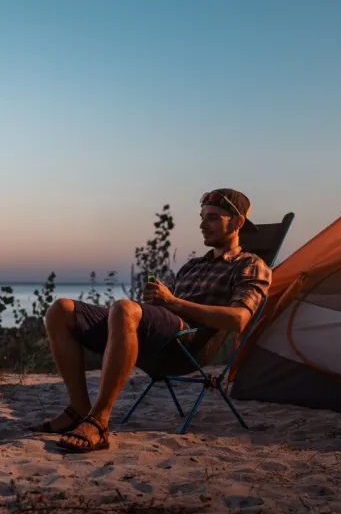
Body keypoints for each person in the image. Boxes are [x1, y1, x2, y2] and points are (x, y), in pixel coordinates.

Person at [33, 189, 272, 453]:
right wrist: (156, 300)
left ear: (237, 223)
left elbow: (239, 320)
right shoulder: (193, 266)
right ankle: (79, 408)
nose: (202, 225)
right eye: (202, 217)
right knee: (61, 309)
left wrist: (171, 302)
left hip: (187, 343)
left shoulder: (250, 264)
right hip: (160, 335)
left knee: (125, 308)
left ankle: (99, 422)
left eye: (213, 218)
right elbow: (164, 308)